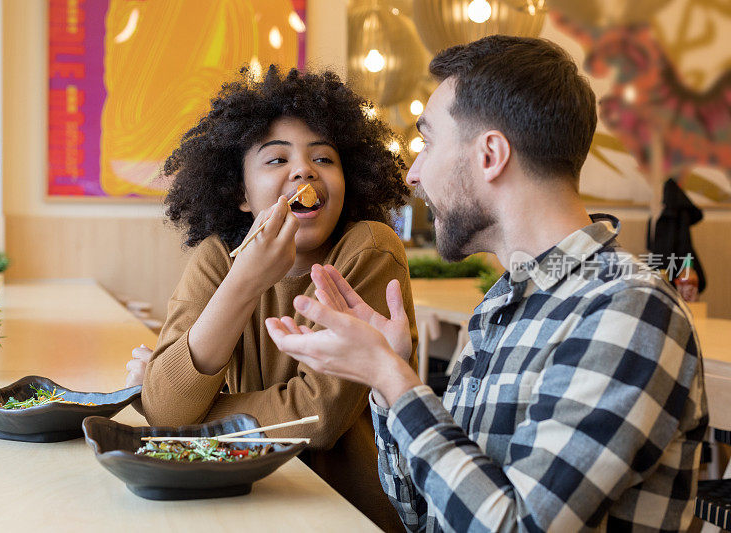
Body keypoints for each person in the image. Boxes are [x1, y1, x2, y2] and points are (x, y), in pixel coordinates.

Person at [266, 36, 708, 531]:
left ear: (490, 155)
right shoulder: (507, 301)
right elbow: (424, 515)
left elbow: (515, 526)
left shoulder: (627, 311)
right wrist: (387, 381)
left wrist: (395, 379)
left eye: (427, 144)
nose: (413, 174)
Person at [124, 65, 417, 531]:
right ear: (241, 193)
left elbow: (315, 418)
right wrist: (243, 282)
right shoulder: (218, 257)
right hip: (238, 503)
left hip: (345, 513)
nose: (303, 169)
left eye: (324, 159)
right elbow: (165, 406)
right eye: (276, 160)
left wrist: (190, 418)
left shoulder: (369, 248)